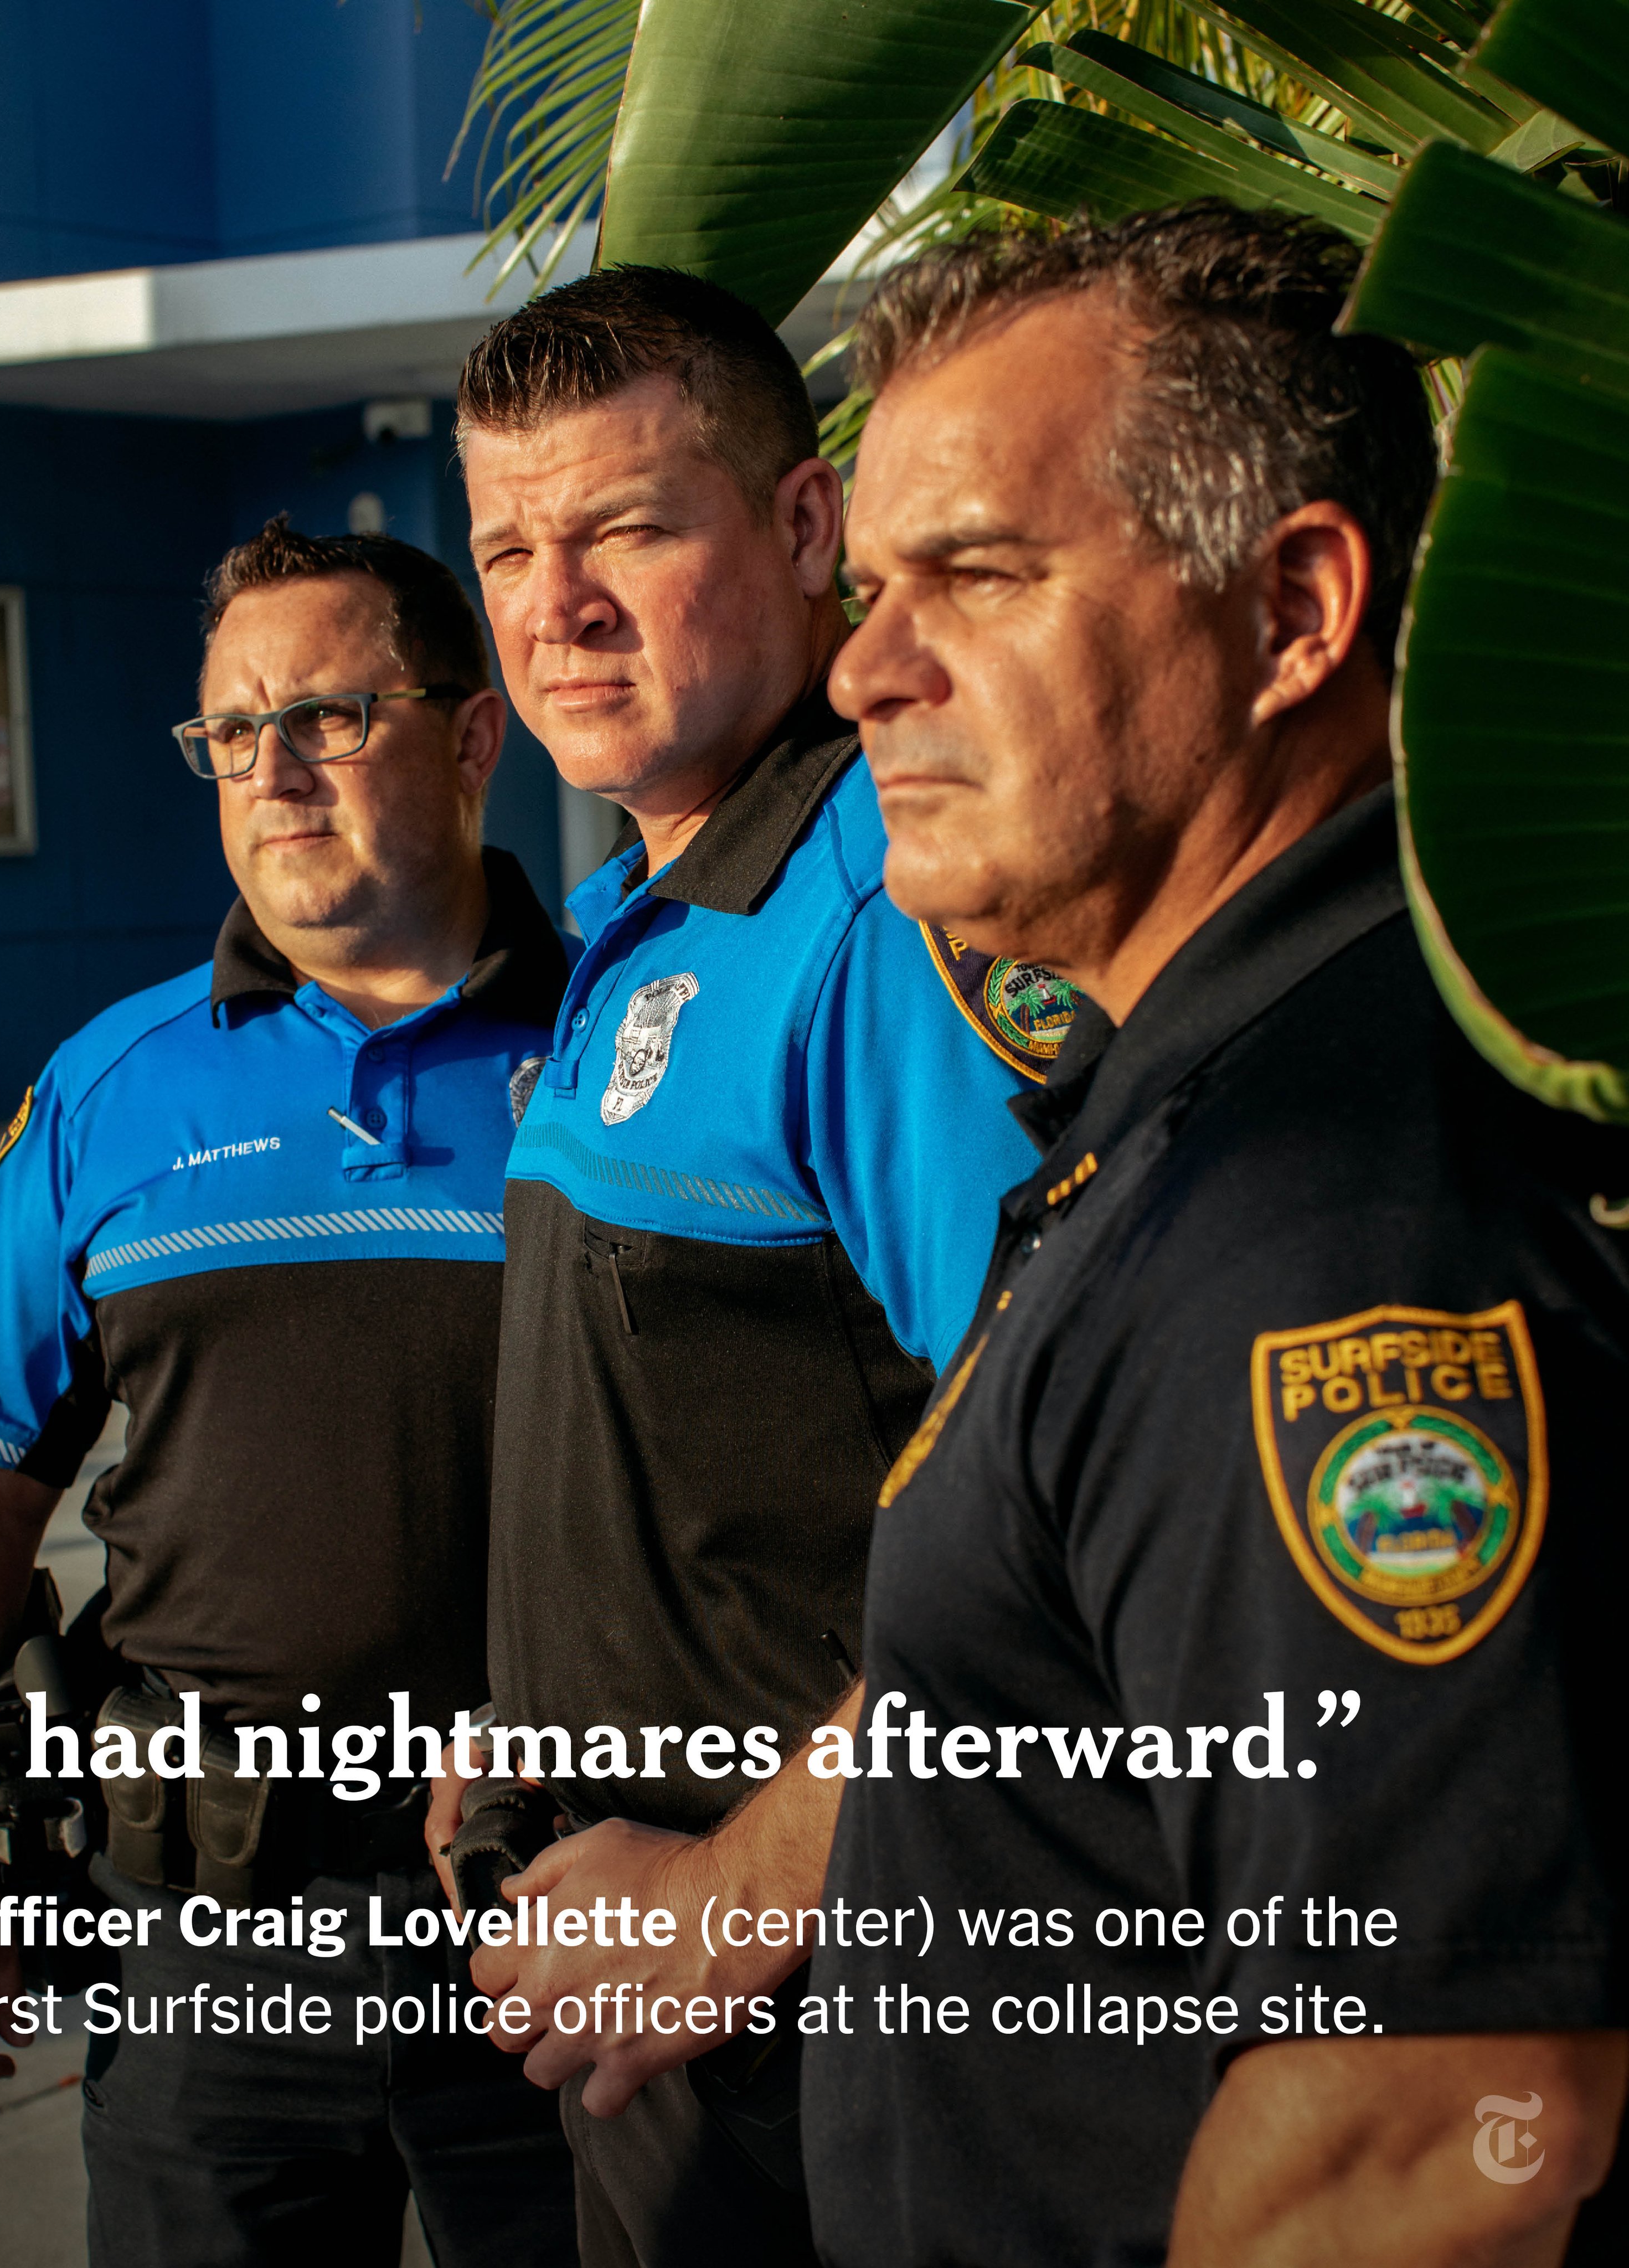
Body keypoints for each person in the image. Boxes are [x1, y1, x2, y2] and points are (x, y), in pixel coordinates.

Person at [806, 203, 1629, 2265]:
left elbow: (1447, 2121)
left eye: (976, 575)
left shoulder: (1328, 1213)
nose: (861, 667)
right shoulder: (1201, 1101)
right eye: (869, 588)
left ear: (1294, 613)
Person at [0, 519, 579, 2268]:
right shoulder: (113, 1085)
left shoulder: (638, 1053)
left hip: (566, 1903)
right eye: (231, 733)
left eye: (329, 716)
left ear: (474, 735)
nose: (271, 772)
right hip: (209, 1939)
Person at [428, 267, 1045, 2266]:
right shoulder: (654, 904)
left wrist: (741, 1897)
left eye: (624, 529)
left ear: (804, 529)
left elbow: (1078, 1492)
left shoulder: (879, 910)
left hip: (843, 2051)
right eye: (510, 547)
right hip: (663, 2042)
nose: (556, 607)